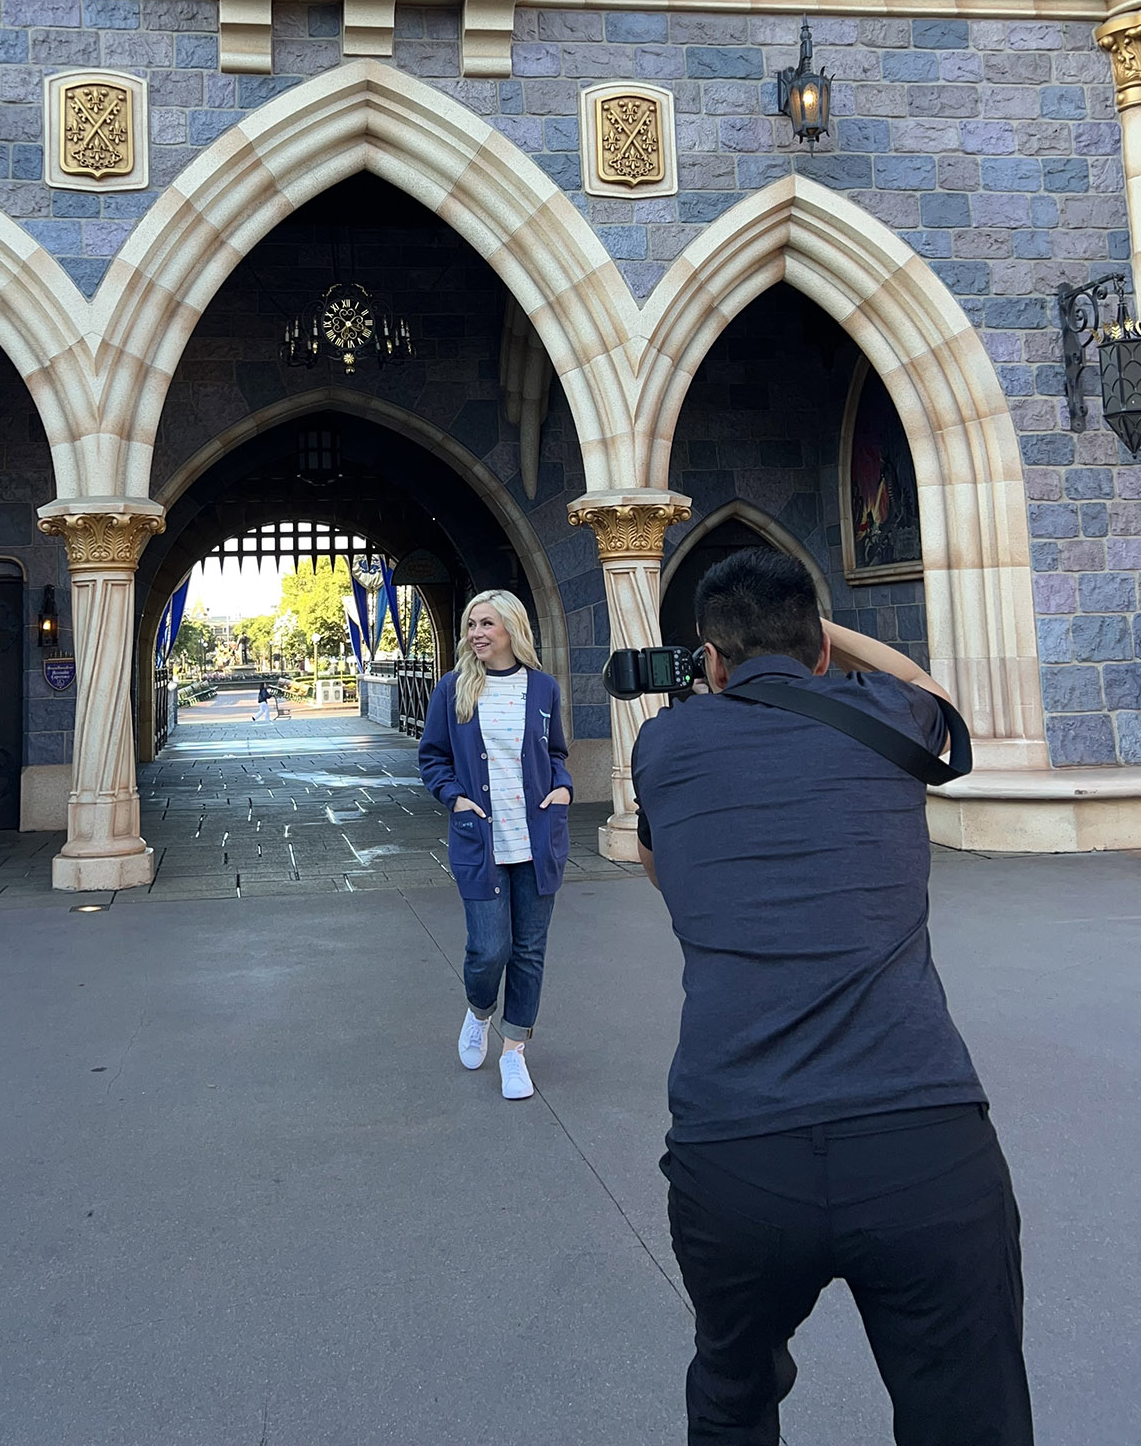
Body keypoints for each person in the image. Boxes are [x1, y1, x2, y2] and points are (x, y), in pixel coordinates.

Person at [631, 547, 1032, 1446]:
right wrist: (817, 627)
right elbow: (927, 684)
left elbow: (666, 875)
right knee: (971, 1420)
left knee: (733, 1403)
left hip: (737, 1152)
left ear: (711, 660)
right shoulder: (884, 717)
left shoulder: (665, 744)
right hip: (921, 1139)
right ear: (820, 654)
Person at [418, 591, 572, 1100]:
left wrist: (563, 786)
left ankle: (514, 1052)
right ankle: (479, 1009)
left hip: (538, 840)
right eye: (470, 625)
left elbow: (556, 753)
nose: (476, 633)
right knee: (489, 950)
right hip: (481, 841)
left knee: (529, 951)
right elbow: (432, 757)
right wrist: (454, 798)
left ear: (512, 628)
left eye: (486, 623)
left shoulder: (543, 688)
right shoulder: (454, 689)